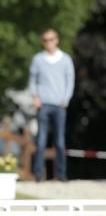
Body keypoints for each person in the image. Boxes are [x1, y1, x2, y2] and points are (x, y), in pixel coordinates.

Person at [29, 29, 75, 182]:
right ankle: (38, 174)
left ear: (57, 40)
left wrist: (66, 99)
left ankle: (61, 174)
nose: (48, 42)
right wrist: (35, 97)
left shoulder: (66, 59)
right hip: (43, 104)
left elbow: (70, 81)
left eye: (51, 39)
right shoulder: (38, 59)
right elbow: (32, 80)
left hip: (59, 105)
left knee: (60, 141)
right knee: (41, 140)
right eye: (45, 40)